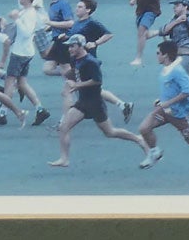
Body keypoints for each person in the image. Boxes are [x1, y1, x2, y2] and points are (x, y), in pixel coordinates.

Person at [48, 35, 148, 169]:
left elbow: (97, 81)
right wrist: (67, 79)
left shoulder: (91, 62)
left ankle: (139, 139)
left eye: (72, 46)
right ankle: (64, 159)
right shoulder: (74, 59)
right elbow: (75, 72)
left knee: (110, 132)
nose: (69, 49)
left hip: (95, 103)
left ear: (80, 46)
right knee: (64, 127)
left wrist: (77, 85)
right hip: (82, 102)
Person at [136, 36, 189, 179]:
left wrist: (168, 102)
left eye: (158, 53)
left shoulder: (177, 71)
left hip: (179, 113)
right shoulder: (166, 69)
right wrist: (161, 100)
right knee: (144, 128)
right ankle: (154, 153)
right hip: (164, 110)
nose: (156, 56)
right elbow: (170, 89)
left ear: (166, 55)